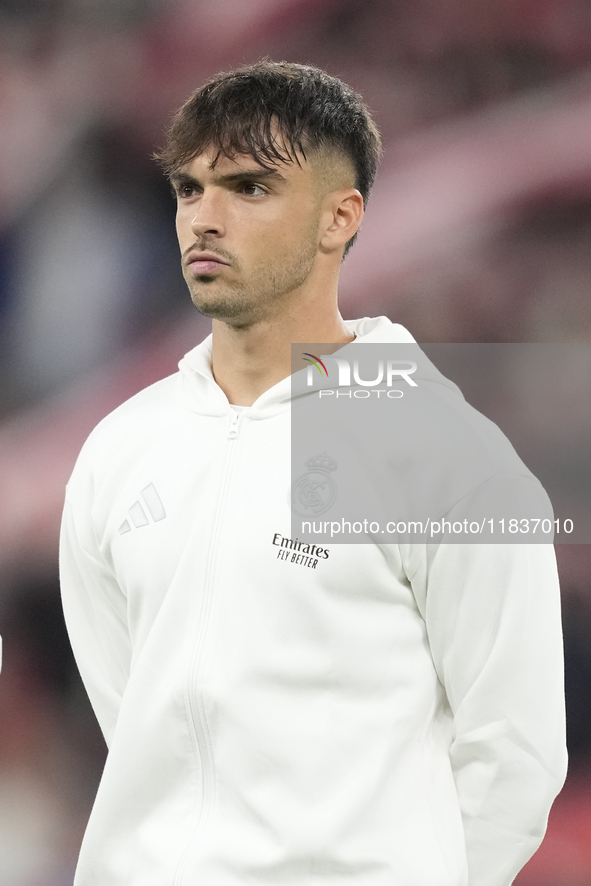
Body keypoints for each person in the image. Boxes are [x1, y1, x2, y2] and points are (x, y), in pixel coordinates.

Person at [59, 61, 567, 886]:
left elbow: (516, 751)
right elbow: (136, 714)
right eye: (190, 190)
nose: (203, 220)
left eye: (249, 188)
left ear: (340, 217)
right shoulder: (121, 447)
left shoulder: (450, 458)